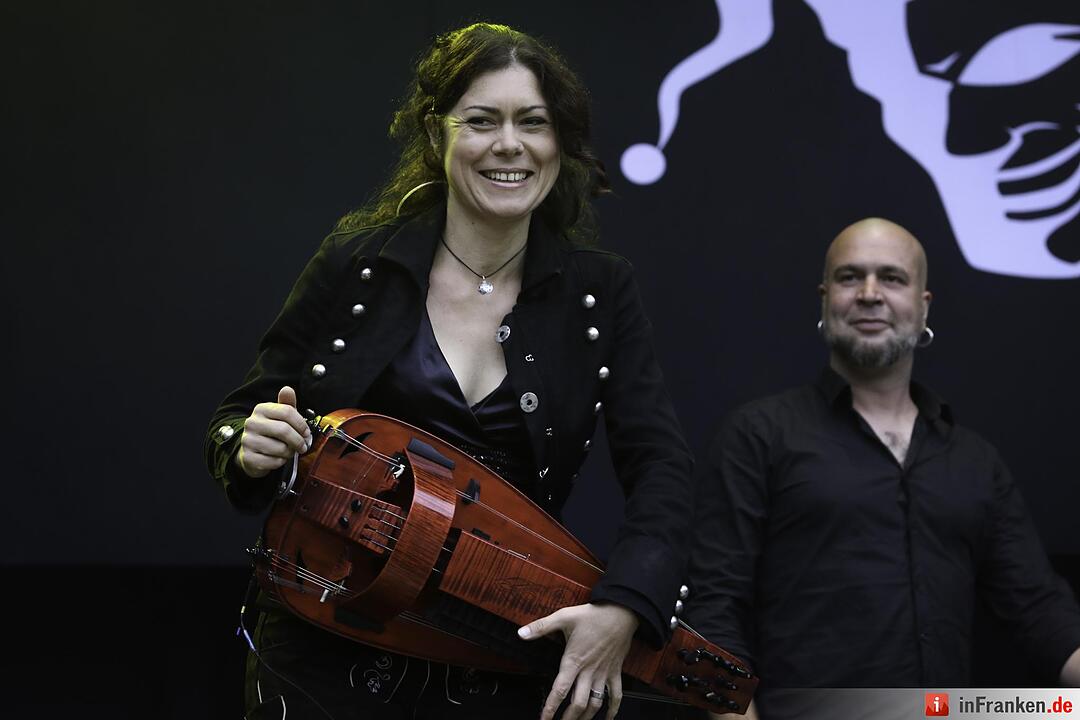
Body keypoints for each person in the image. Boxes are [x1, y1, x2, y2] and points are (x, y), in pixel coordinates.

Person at [203, 22, 693, 720]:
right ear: (437, 135)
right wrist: (250, 447)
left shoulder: (600, 290)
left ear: (559, 144)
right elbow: (237, 420)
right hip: (325, 649)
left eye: (533, 122)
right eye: (482, 121)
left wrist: (625, 604)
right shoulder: (357, 263)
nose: (510, 144)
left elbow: (663, 470)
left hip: (493, 655)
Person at [686, 218, 1080, 719]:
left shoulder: (975, 461)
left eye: (892, 278)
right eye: (850, 277)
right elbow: (713, 609)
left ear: (923, 306)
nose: (870, 294)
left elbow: (1040, 610)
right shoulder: (758, 436)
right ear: (825, 300)